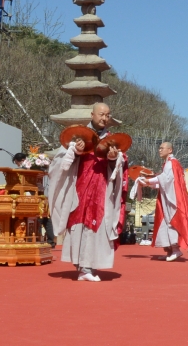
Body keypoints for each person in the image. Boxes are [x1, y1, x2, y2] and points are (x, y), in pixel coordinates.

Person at [46, 103, 127, 282]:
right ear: (92, 114)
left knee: (96, 224)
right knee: (78, 223)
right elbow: (59, 161)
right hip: (80, 187)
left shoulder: (112, 139)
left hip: (101, 189)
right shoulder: (79, 136)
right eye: (101, 114)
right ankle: (82, 266)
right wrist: (74, 151)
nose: (104, 118)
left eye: (107, 114)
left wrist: (114, 159)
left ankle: (87, 266)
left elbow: (121, 166)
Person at [137, 141, 188, 261]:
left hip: (173, 198)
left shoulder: (172, 163)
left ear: (170, 150)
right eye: (159, 148)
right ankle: (169, 250)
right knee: (164, 221)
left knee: (170, 220)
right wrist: (150, 182)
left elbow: (165, 179)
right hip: (168, 196)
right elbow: (165, 182)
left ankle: (175, 249)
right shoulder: (169, 164)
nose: (159, 150)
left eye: (162, 148)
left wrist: (148, 181)